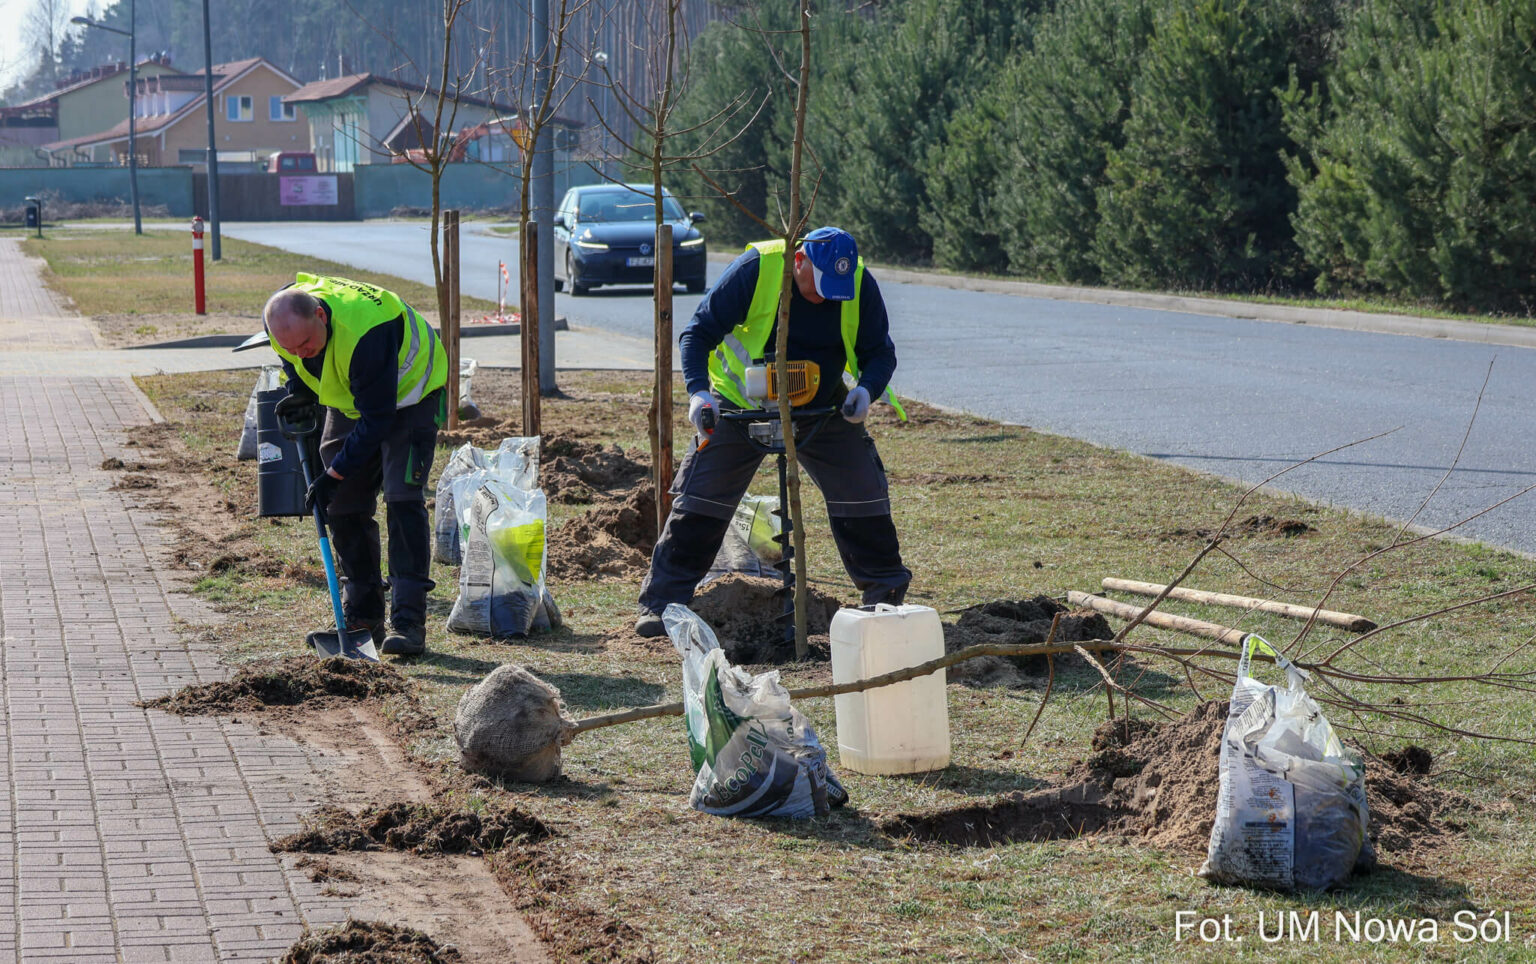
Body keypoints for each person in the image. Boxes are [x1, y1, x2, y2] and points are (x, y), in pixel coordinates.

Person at [635, 226, 912, 636]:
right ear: (798, 260)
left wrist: (866, 391)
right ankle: (662, 605)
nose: (824, 298)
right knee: (702, 495)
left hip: (822, 405)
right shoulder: (757, 269)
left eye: (834, 291)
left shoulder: (855, 280)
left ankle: (884, 597)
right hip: (740, 403)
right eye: (817, 287)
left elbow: (879, 351)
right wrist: (698, 395)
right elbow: (698, 333)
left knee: (862, 489)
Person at [264, 273, 448, 656]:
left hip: (411, 392)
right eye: (290, 348)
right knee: (343, 504)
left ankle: (408, 623)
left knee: (401, 498)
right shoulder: (283, 321)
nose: (301, 352)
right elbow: (295, 365)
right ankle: (364, 617)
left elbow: (377, 420)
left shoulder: (366, 333)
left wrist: (332, 474)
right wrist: (298, 391)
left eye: (306, 344)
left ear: (321, 316)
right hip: (355, 394)